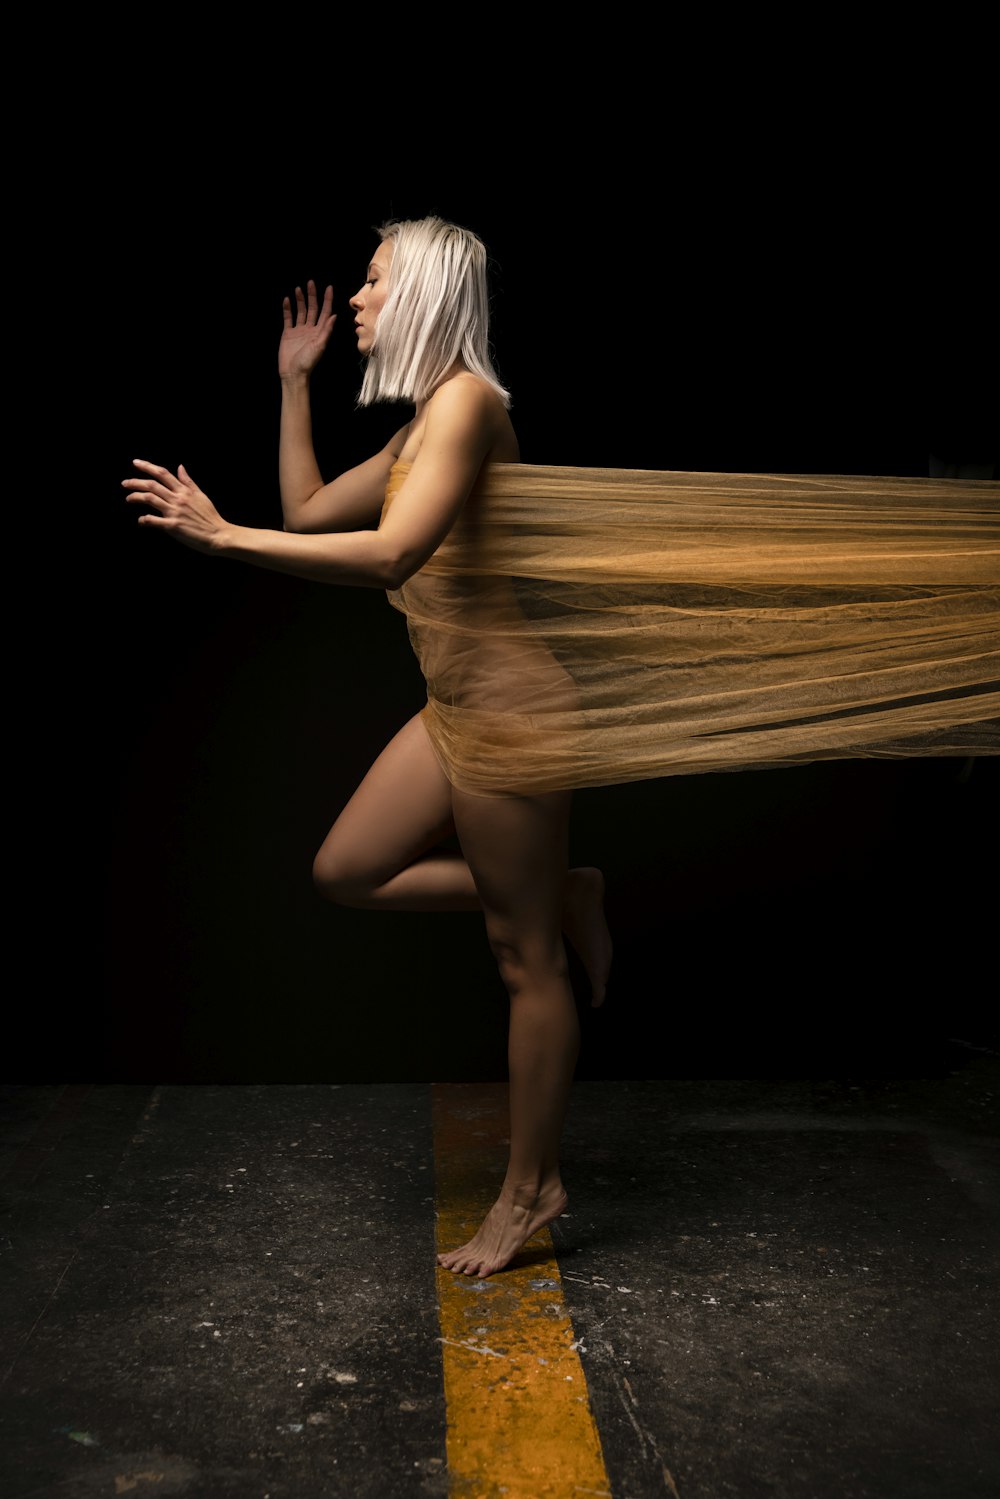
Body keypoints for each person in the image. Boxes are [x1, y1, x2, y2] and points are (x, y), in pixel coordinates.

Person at [124, 216, 613, 1280]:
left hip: (514, 716)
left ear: (428, 292)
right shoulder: (419, 426)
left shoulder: (473, 408)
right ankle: (562, 889)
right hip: (452, 708)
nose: (354, 297)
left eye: (375, 279)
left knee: (523, 963)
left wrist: (218, 537)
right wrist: (294, 382)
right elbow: (305, 511)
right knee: (346, 870)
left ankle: (533, 1188)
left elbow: (394, 552)